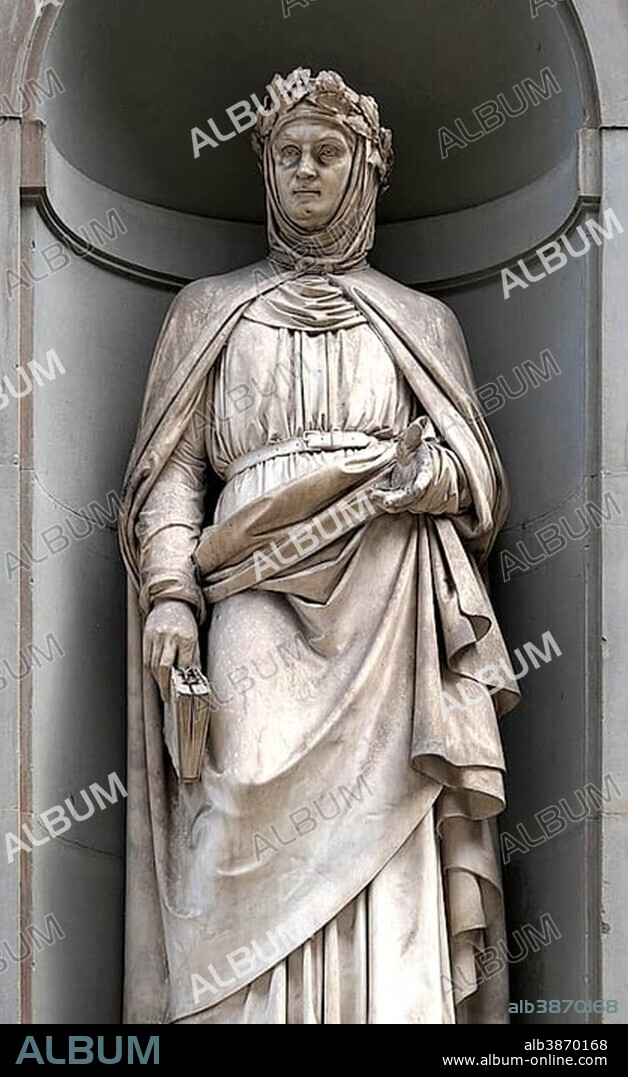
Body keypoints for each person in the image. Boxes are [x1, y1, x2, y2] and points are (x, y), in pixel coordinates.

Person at [119, 68, 520, 1025]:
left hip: (388, 593)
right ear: (265, 169)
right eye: (288, 154)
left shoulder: (422, 321)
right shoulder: (209, 308)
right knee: (237, 791)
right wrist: (171, 592)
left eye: (328, 153)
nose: (306, 170)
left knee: (395, 811)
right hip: (250, 589)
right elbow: (171, 472)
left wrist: (429, 478)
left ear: (366, 170)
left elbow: (478, 478)